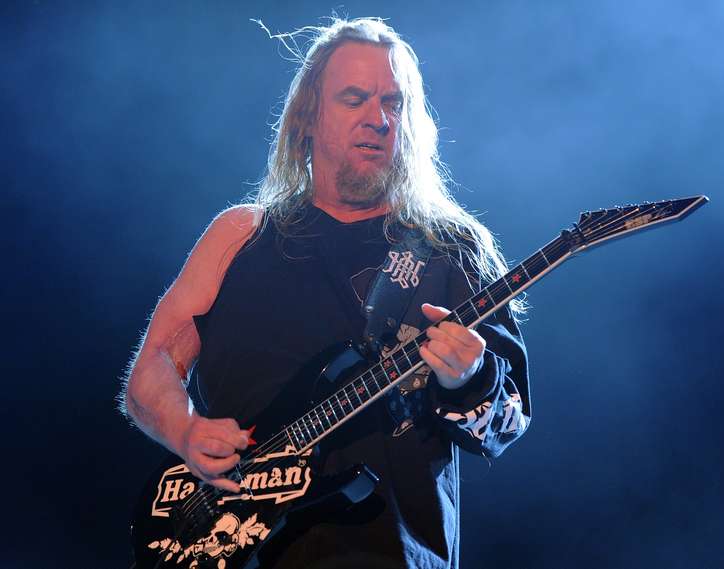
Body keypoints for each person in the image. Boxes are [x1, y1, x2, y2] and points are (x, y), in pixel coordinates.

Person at [121, 17, 531, 569]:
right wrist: (184, 429)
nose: (378, 119)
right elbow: (152, 368)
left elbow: (509, 421)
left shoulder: (451, 249)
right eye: (354, 99)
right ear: (308, 116)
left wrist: (470, 377)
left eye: (393, 103)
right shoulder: (240, 236)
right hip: (234, 549)